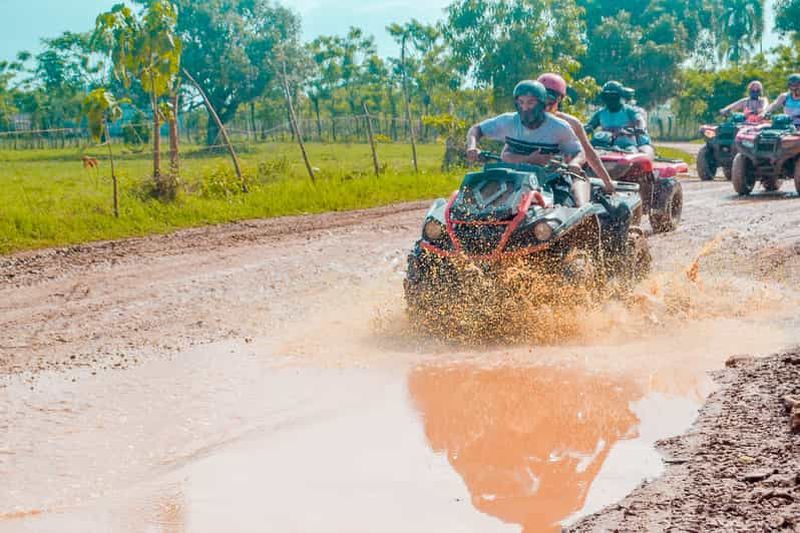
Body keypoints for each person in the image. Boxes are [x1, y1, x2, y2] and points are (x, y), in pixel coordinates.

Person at [466, 80, 590, 205]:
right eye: (521, 102)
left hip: (550, 181)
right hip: (511, 180)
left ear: (541, 104)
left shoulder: (559, 127)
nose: (525, 108)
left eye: (530, 103)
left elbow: (579, 152)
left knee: (564, 208)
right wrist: (472, 147)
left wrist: (575, 163)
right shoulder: (507, 121)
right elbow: (476, 129)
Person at [537, 73, 615, 194]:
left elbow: (588, 152)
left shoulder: (571, 123)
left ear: (559, 99)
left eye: (550, 100)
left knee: (578, 194)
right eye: (541, 100)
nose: (545, 105)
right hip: (530, 174)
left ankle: (582, 204)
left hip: (563, 175)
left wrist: (607, 182)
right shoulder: (524, 120)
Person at [585, 81, 654, 157]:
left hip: (628, 146)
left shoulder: (629, 111)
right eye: (607, 97)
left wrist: (640, 128)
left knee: (633, 153)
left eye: (613, 96)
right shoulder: (600, 113)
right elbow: (590, 125)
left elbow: (639, 120)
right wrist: (584, 130)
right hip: (606, 146)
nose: (610, 100)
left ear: (621, 96)